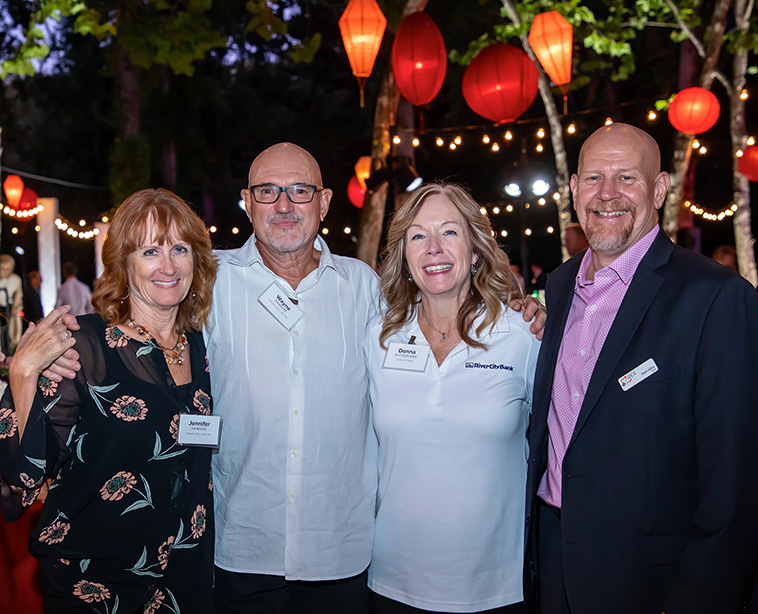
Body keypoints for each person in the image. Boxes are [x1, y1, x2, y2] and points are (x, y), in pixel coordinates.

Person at [204, 143, 545, 614]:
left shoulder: (362, 287)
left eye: (299, 191)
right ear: (246, 200)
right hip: (242, 548)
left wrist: (523, 308)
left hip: (342, 558)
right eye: (267, 191)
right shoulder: (207, 281)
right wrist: (69, 352)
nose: (283, 204)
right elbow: (141, 323)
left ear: (323, 203)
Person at [525, 123, 758, 614]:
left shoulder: (715, 297)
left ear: (659, 190)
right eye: (593, 178)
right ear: (573, 189)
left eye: (626, 179)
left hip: (651, 584)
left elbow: (737, 487)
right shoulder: (557, 285)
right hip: (551, 566)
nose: (607, 194)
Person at [0, 188, 218, 613]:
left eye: (179, 248)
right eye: (150, 251)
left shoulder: (201, 345)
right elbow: (22, 480)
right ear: (123, 263)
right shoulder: (80, 346)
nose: (169, 266)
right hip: (95, 582)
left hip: (185, 577)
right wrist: (23, 372)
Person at [366, 183, 540, 613]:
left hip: (496, 586)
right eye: (418, 236)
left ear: (476, 250)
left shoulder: (521, 334)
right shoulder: (378, 338)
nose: (434, 248)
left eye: (450, 232)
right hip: (391, 581)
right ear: (405, 258)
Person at [0, 253, 24, 353]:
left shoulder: (15, 280)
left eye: (8, 269)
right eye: (3, 268)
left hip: (9, 311)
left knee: (11, 333)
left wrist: (17, 308)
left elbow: (18, 297)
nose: (5, 271)